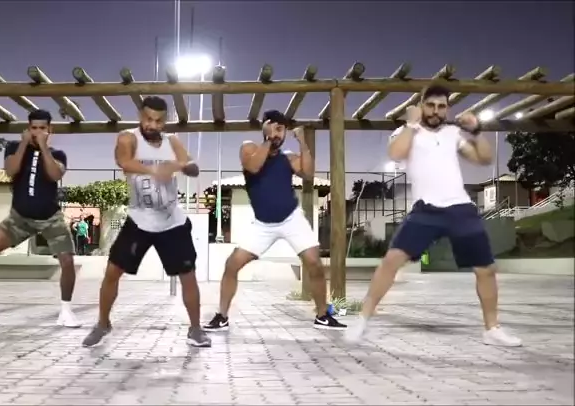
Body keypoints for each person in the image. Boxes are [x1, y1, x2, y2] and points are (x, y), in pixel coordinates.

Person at [344, 85, 522, 347]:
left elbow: (483, 159)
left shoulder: (453, 134)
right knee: (391, 261)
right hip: (426, 209)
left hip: (460, 208)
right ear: (421, 105)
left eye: (441, 107)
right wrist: (411, 124)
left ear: (447, 109)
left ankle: (492, 329)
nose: (436, 111)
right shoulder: (406, 132)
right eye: (431, 105)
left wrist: (476, 131)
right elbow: (395, 153)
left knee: (486, 269)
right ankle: (362, 320)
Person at [82, 96, 211, 348]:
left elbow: (192, 167)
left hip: (172, 221)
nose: (152, 125)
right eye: (148, 119)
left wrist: (184, 166)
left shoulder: (172, 141)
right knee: (112, 273)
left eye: (158, 121)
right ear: (141, 117)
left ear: (165, 121)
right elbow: (125, 162)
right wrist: (156, 170)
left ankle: (196, 329)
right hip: (139, 220)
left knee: (188, 276)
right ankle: (103, 324)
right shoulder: (128, 138)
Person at [203, 110, 346, 332]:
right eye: (274, 128)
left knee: (315, 264)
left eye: (282, 129)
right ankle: (222, 317)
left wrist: (302, 142)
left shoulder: (287, 158)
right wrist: (268, 140)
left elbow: (308, 174)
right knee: (232, 265)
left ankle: (322, 316)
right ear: (265, 128)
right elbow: (253, 166)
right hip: (262, 225)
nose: (278, 133)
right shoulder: (249, 148)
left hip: (291, 219)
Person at [0, 109, 82, 328]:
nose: (37, 132)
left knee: (67, 261)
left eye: (42, 128)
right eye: (33, 128)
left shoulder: (58, 154)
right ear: (27, 129)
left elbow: (54, 175)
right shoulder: (14, 148)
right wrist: (23, 144)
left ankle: (66, 312)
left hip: (50, 218)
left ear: (50, 130)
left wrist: (43, 147)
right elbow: (10, 171)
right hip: (19, 218)